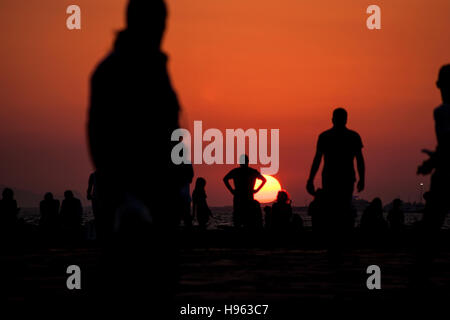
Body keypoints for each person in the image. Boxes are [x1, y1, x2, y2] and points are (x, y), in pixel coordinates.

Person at [87, 0, 183, 312]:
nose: (161, 32)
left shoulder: (156, 66)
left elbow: (170, 127)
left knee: (160, 283)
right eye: (156, 24)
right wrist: (119, 193)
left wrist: (181, 175)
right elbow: (99, 134)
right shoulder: (112, 70)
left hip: (161, 191)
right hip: (126, 192)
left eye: (162, 25)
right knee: (125, 281)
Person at [307, 108, 365, 261]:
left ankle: (336, 242)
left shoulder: (328, 136)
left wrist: (310, 179)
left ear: (333, 119)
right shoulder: (350, 136)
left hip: (337, 178)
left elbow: (318, 159)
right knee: (339, 209)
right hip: (338, 178)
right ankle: (338, 242)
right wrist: (362, 178)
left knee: (336, 209)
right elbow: (318, 158)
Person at [415, 64, 450, 286]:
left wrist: (432, 162)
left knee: (431, 225)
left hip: (446, 172)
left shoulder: (442, 112)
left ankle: (422, 274)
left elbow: (448, 143)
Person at [223, 154, 266, 228]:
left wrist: (231, 190)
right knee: (245, 218)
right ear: (248, 161)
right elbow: (264, 180)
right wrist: (257, 190)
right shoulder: (252, 171)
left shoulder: (237, 171)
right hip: (246, 197)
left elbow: (225, 179)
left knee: (239, 218)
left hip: (241, 197)